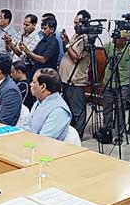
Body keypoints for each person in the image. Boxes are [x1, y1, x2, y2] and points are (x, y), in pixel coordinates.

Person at [58, 10, 91, 138]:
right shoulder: (76, 36)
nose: (74, 25)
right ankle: (70, 133)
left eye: (77, 23)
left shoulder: (86, 39)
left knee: (77, 110)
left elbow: (76, 57)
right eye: (74, 23)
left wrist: (66, 43)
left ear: (85, 23)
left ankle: (78, 134)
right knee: (68, 108)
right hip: (66, 79)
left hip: (76, 80)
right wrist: (66, 41)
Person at [20, 17, 60, 109]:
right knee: (34, 98)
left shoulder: (53, 42)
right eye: (42, 28)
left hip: (46, 76)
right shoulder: (43, 40)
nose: (42, 31)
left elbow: (43, 59)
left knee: (43, 100)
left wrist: (28, 52)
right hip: (36, 71)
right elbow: (34, 53)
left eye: (45, 29)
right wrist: (26, 51)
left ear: (52, 29)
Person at [101, 34, 130, 143]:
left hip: (123, 83)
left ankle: (119, 134)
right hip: (108, 82)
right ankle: (107, 131)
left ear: (125, 39)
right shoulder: (109, 46)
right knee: (107, 108)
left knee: (120, 109)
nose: (115, 40)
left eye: (119, 38)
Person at [27, 68, 71, 140]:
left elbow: (44, 140)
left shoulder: (59, 111)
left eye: (34, 82)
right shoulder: (39, 101)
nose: (30, 84)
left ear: (43, 87)